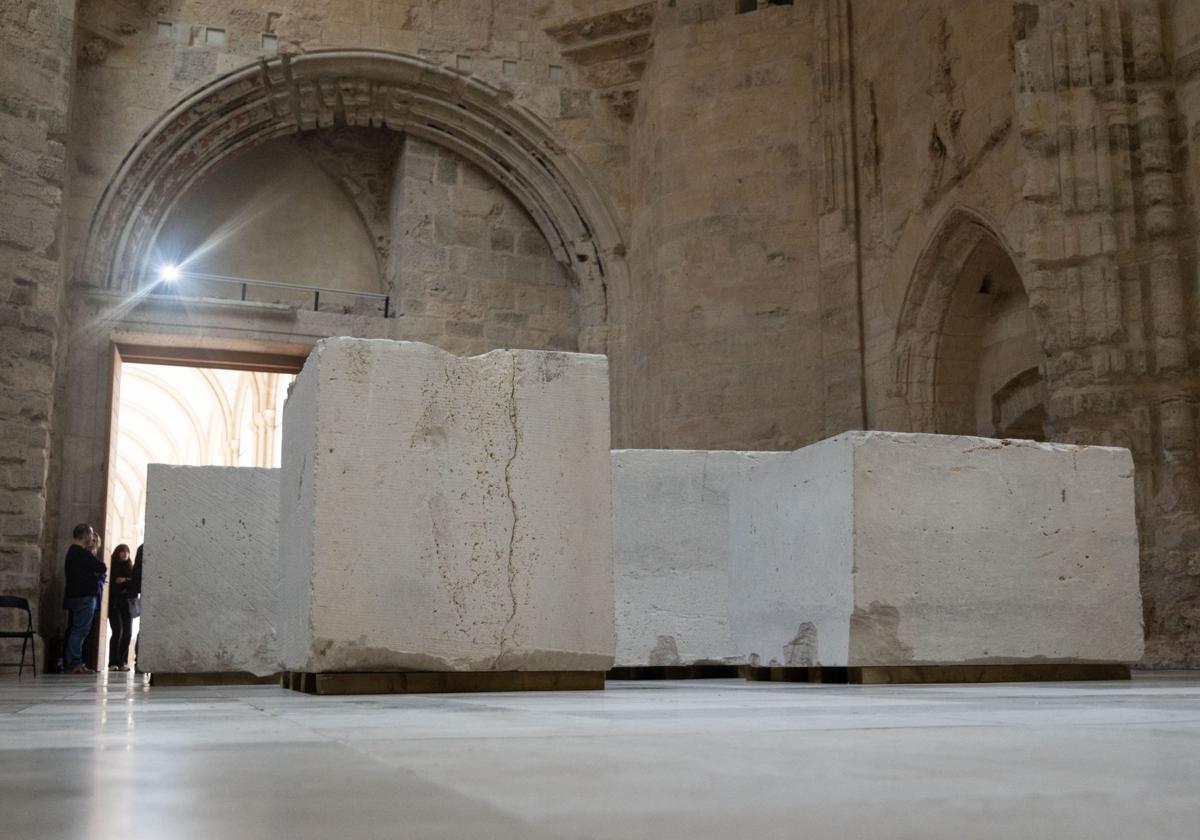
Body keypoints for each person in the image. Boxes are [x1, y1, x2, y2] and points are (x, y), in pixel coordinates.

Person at [63, 524, 105, 674]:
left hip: (75, 596)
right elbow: (101, 567)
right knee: (80, 630)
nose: (93, 538)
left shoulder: (73, 552)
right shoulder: (81, 552)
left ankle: (75, 662)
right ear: (86, 535)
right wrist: (93, 573)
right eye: (91, 534)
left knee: (77, 630)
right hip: (84, 596)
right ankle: (74, 663)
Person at [107, 544, 134, 671]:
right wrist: (123, 582)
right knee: (118, 631)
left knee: (127, 633)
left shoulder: (130, 568)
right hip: (115, 604)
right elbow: (113, 583)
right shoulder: (112, 566)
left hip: (127, 605)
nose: (125, 553)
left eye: (127, 551)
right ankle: (113, 662)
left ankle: (122, 661)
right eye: (122, 551)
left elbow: (134, 583)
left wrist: (125, 580)